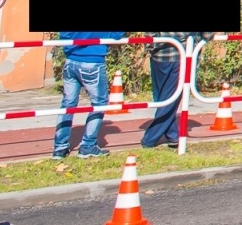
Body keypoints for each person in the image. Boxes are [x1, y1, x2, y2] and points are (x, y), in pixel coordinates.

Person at [51, 30, 124, 159]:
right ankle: (88, 145)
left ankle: (59, 147)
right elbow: (116, 35)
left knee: (68, 104)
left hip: (71, 61)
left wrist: (71, 49)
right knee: (99, 103)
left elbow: (64, 35)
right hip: (92, 61)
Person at [140, 33, 195, 149]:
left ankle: (156, 137)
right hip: (176, 56)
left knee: (165, 99)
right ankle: (164, 136)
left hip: (162, 55)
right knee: (166, 99)